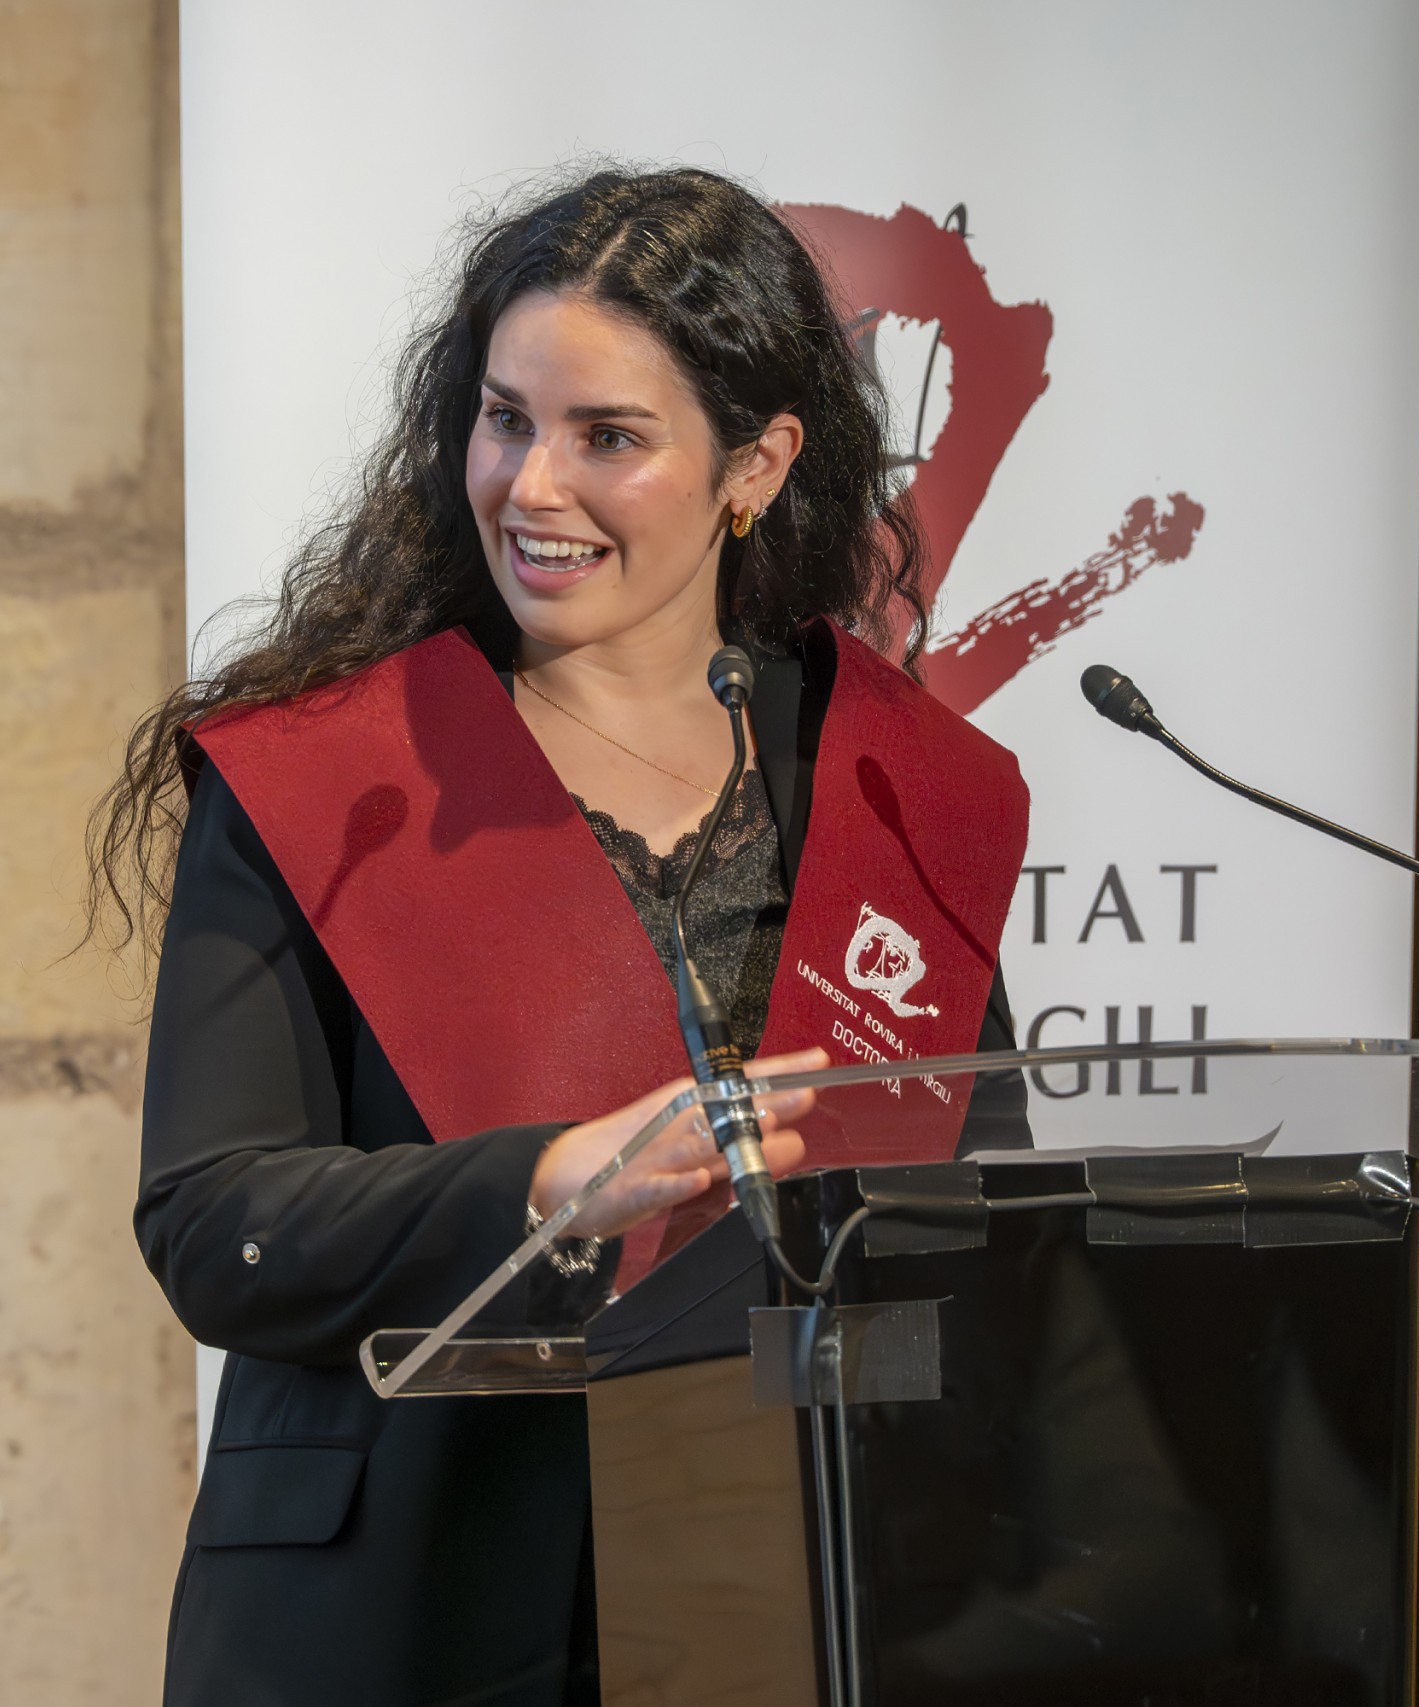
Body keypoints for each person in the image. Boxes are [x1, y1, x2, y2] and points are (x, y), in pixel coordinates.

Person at [91, 166, 1031, 1707]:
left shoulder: (897, 786)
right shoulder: (327, 776)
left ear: (756, 462)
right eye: (505, 419)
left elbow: (982, 1236)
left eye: (608, 437)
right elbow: (216, 1226)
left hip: (789, 1595)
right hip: (400, 1612)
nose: (531, 486)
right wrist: (541, 1185)